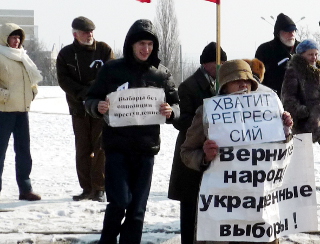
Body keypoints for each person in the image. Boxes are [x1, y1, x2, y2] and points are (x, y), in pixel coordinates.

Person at [85, 19, 180, 243]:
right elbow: (90, 99)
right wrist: (97, 107)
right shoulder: (111, 70)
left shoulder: (161, 74)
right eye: (141, 44)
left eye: (150, 44)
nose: (145, 49)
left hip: (146, 149)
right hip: (117, 148)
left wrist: (171, 111)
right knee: (119, 202)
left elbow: (177, 104)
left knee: (137, 209)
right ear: (131, 44)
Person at [180, 59, 293, 244]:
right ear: (224, 86)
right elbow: (187, 153)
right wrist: (205, 157)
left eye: (247, 80)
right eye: (236, 80)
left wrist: (286, 130)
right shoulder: (208, 112)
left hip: (258, 204)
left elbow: (282, 151)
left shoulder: (267, 109)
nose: (243, 84)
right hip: (223, 206)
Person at [168, 42, 227, 244]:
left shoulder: (223, 86)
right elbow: (181, 121)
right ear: (206, 64)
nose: (221, 67)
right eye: (218, 63)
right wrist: (204, 120)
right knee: (191, 207)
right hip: (191, 153)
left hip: (214, 154)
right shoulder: (189, 86)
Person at [56, 16, 114, 202]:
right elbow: (64, 80)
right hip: (78, 108)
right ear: (75, 34)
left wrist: (94, 92)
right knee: (82, 148)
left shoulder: (104, 50)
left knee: (100, 148)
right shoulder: (65, 54)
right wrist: (82, 93)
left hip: (100, 107)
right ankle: (86, 187)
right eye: (84, 32)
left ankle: (99, 187)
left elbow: (110, 74)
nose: (89, 35)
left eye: (91, 31)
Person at [0, 23, 42, 201]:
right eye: (12, 37)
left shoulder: (23, 56)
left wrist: (33, 91)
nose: (16, 41)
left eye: (18, 38)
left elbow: (30, 79)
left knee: (24, 151)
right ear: (4, 38)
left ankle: (25, 188)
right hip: (3, 111)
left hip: (22, 111)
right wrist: (4, 96)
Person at [281, 39, 320, 143]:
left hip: (318, 123)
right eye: (310, 54)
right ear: (301, 55)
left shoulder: (318, 70)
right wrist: (306, 111)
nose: (314, 57)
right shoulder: (293, 71)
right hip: (304, 127)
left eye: (316, 54)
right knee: (306, 158)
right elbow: (288, 99)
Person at [255, 13, 300, 97]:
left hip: (299, 100)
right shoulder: (265, 50)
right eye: (288, 31)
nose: (292, 34)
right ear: (278, 33)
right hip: (273, 98)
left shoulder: (302, 49)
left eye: (293, 31)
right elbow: (257, 76)